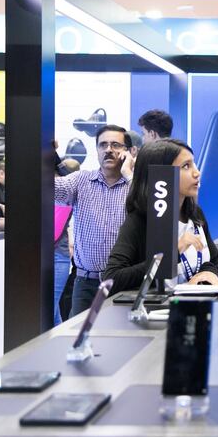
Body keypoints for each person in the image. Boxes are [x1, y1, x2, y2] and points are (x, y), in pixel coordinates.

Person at [103, 139, 218, 294]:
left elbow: (211, 260)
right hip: (155, 314)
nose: (196, 172)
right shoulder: (139, 221)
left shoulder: (195, 214)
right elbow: (112, 279)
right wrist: (171, 253)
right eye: (186, 166)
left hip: (193, 309)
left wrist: (207, 274)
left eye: (193, 164)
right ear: (162, 174)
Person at [54, 124, 134, 318]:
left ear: (128, 152)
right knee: (79, 342)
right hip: (86, 284)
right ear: (97, 150)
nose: (108, 150)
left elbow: (152, 211)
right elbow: (50, 188)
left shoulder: (135, 184)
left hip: (124, 283)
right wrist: (47, 156)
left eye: (116, 145)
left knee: (122, 342)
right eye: (103, 145)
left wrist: (130, 174)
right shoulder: (81, 181)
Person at [54, 158, 80, 325]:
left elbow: (53, 231)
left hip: (58, 257)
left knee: (49, 308)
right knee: (52, 309)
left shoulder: (65, 200)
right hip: (56, 257)